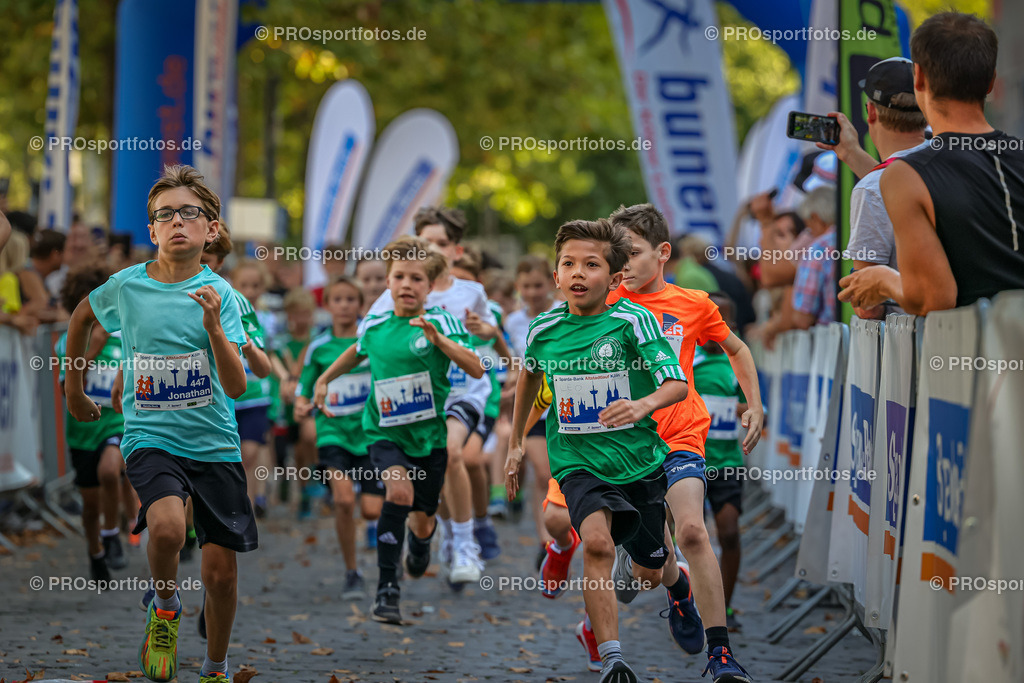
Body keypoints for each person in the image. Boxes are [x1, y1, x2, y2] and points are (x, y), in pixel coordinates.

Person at [64, 164, 253, 683]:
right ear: (151, 231)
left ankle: (215, 667)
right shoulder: (128, 287)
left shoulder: (223, 296)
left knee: (220, 576)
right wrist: (74, 389)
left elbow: (237, 387)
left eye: (188, 213)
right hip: (150, 436)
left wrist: (214, 326)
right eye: (163, 215)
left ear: (210, 229)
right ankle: (164, 606)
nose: (176, 222)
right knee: (167, 527)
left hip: (214, 442)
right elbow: (81, 318)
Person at [505, 218, 689, 683]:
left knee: (648, 572)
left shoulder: (634, 320)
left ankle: (677, 584)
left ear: (614, 278)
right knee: (599, 545)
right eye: (569, 264)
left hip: (639, 461)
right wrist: (514, 445)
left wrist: (642, 405)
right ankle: (612, 657)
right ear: (556, 277)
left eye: (591, 264)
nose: (579, 273)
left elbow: (676, 384)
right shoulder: (542, 329)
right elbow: (528, 377)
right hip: (578, 463)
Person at [606, 204, 760, 682]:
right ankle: (674, 589)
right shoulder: (602, 305)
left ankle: (721, 657)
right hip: (625, 446)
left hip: (681, 435)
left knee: (693, 531)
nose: (623, 265)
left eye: (631, 254)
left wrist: (754, 402)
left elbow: (736, 347)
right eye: (616, 257)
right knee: (654, 569)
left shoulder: (694, 304)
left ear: (663, 252)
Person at [313, 235, 484, 624]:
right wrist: (323, 379)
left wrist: (441, 342)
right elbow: (356, 351)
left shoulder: (441, 322)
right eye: (399, 277)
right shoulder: (375, 323)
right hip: (383, 431)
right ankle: (387, 589)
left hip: (428, 438)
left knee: (422, 518)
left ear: (429, 286)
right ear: (388, 283)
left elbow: (475, 367)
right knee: (399, 492)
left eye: (416, 279)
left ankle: (423, 541)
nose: (407, 285)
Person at [846, 12, 1024, 314]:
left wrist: (884, 280)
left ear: (919, 78)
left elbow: (933, 296)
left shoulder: (906, 176)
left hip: (966, 355)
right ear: (992, 81)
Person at [365, 207, 497, 586]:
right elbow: (368, 341)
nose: (430, 249)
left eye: (440, 243)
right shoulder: (397, 293)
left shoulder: (470, 292)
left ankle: (465, 544)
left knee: (454, 453)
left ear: (455, 251)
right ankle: (431, 531)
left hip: (462, 389)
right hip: (416, 401)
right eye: (424, 242)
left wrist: (481, 329)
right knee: (426, 480)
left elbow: (487, 332)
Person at [818, 58, 929, 319]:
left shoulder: (871, 191)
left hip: (911, 348)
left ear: (871, 112)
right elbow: (898, 183)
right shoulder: (950, 161)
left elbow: (868, 305)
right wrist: (853, 154)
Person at [295, 275, 382, 600]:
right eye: (338, 299)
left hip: (371, 434)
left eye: (351, 300)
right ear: (327, 305)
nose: (344, 306)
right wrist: (302, 407)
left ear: (360, 305)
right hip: (332, 434)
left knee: (372, 510)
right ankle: (352, 572)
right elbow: (304, 391)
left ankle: (388, 544)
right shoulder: (318, 347)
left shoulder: (371, 338)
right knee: (344, 501)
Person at [54, 263, 127, 580]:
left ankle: (112, 534)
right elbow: (66, 389)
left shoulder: (122, 337)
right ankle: (95, 551)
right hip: (82, 431)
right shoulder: (66, 342)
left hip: (115, 424)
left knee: (111, 471)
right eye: (85, 303)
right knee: (89, 504)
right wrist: (92, 348)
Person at [201, 241, 274, 519]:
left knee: (251, 454)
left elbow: (270, 358)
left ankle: (249, 506)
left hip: (255, 395)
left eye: (256, 286)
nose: (250, 291)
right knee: (220, 461)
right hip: (219, 399)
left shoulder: (251, 311)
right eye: (245, 285)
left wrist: (253, 351)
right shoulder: (202, 301)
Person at [694, 292, 747, 630]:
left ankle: (723, 609)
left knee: (728, 533)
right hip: (690, 461)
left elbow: (754, 407)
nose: (718, 328)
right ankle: (685, 600)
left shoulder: (737, 362)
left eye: (725, 322)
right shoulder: (688, 360)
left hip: (728, 462)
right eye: (712, 320)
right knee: (688, 535)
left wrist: (743, 412)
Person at [502, 254, 559, 552]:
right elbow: (515, 363)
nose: (533, 292)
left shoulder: (566, 312)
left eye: (538, 285)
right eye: (526, 286)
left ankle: (564, 526)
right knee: (544, 472)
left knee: (557, 474)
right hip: (532, 407)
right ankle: (545, 539)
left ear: (551, 282)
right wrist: (512, 382)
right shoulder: (513, 321)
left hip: (564, 407)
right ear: (517, 287)